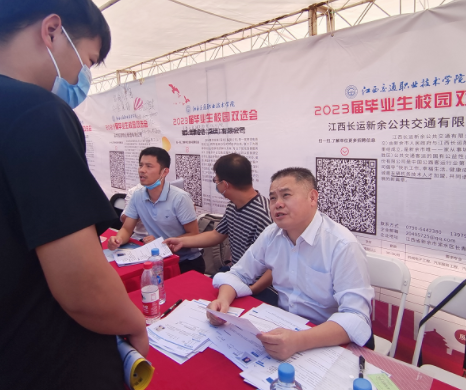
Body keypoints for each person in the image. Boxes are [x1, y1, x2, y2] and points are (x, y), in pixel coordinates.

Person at [0, 0, 147, 389]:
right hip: (46, 365)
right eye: (87, 60)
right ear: (52, 31)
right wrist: (133, 322)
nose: (82, 75)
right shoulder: (34, 110)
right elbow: (82, 287)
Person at [207, 167, 374, 360]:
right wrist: (223, 301)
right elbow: (239, 273)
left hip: (325, 336)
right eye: (272, 198)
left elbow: (355, 315)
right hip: (285, 324)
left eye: (286, 195)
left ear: (312, 198)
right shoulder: (271, 234)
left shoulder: (342, 245)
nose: (277, 204)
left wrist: (299, 340)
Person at [164, 153, 274, 296]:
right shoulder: (233, 206)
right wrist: (182, 241)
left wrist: (250, 290)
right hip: (237, 275)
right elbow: (216, 235)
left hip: (258, 285)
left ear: (225, 184)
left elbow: (273, 268)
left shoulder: (263, 215)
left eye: (216, 181)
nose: (216, 185)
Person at [108, 147, 205, 273]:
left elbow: (193, 235)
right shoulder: (137, 195)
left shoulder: (180, 198)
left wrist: (162, 244)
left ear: (164, 172)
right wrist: (117, 240)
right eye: (141, 165)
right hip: (157, 259)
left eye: (149, 166)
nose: (142, 170)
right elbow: (127, 229)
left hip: (184, 262)